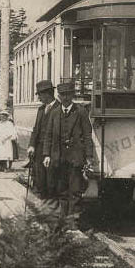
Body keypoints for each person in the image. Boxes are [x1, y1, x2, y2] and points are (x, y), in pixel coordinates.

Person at [43, 81, 94, 217]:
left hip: (75, 157)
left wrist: (89, 156)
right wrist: (46, 154)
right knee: (61, 189)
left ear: (72, 95)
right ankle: (63, 218)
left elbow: (88, 135)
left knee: (75, 190)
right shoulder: (54, 113)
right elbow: (48, 135)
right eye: (62, 95)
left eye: (68, 94)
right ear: (59, 96)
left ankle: (74, 220)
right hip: (58, 157)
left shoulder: (81, 112)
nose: (65, 98)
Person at [27, 80, 57, 198]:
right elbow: (36, 129)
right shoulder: (40, 109)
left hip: (52, 149)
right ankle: (43, 198)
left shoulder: (58, 108)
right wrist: (31, 145)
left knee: (51, 177)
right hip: (39, 148)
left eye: (39, 94)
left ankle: (52, 201)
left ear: (47, 94)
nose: (39, 97)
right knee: (40, 176)